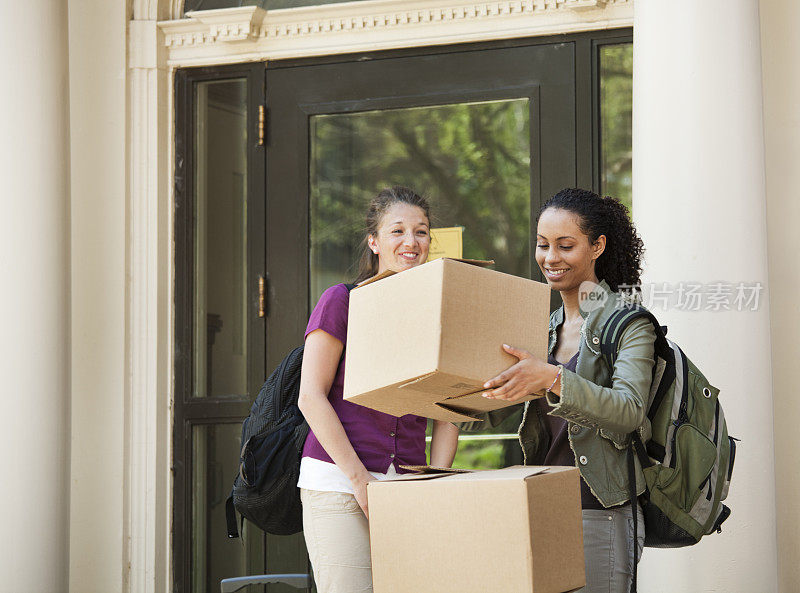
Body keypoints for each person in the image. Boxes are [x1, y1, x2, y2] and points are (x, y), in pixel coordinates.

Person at [480, 187, 654, 593]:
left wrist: (552, 378)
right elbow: (485, 411)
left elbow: (630, 411)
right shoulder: (542, 327)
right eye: (542, 245)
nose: (550, 257)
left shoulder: (628, 322)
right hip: (543, 507)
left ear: (597, 247)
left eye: (565, 245)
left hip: (601, 512)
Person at [297, 186, 460, 593]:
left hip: (405, 485)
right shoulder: (341, 301)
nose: (411, 242)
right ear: (374, 241)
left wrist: (434, 483)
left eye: (421, 232)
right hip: (339, 481)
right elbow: (310, 396)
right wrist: (360, 481)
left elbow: (448, 411)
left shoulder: (434, 314)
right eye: (398, 231)